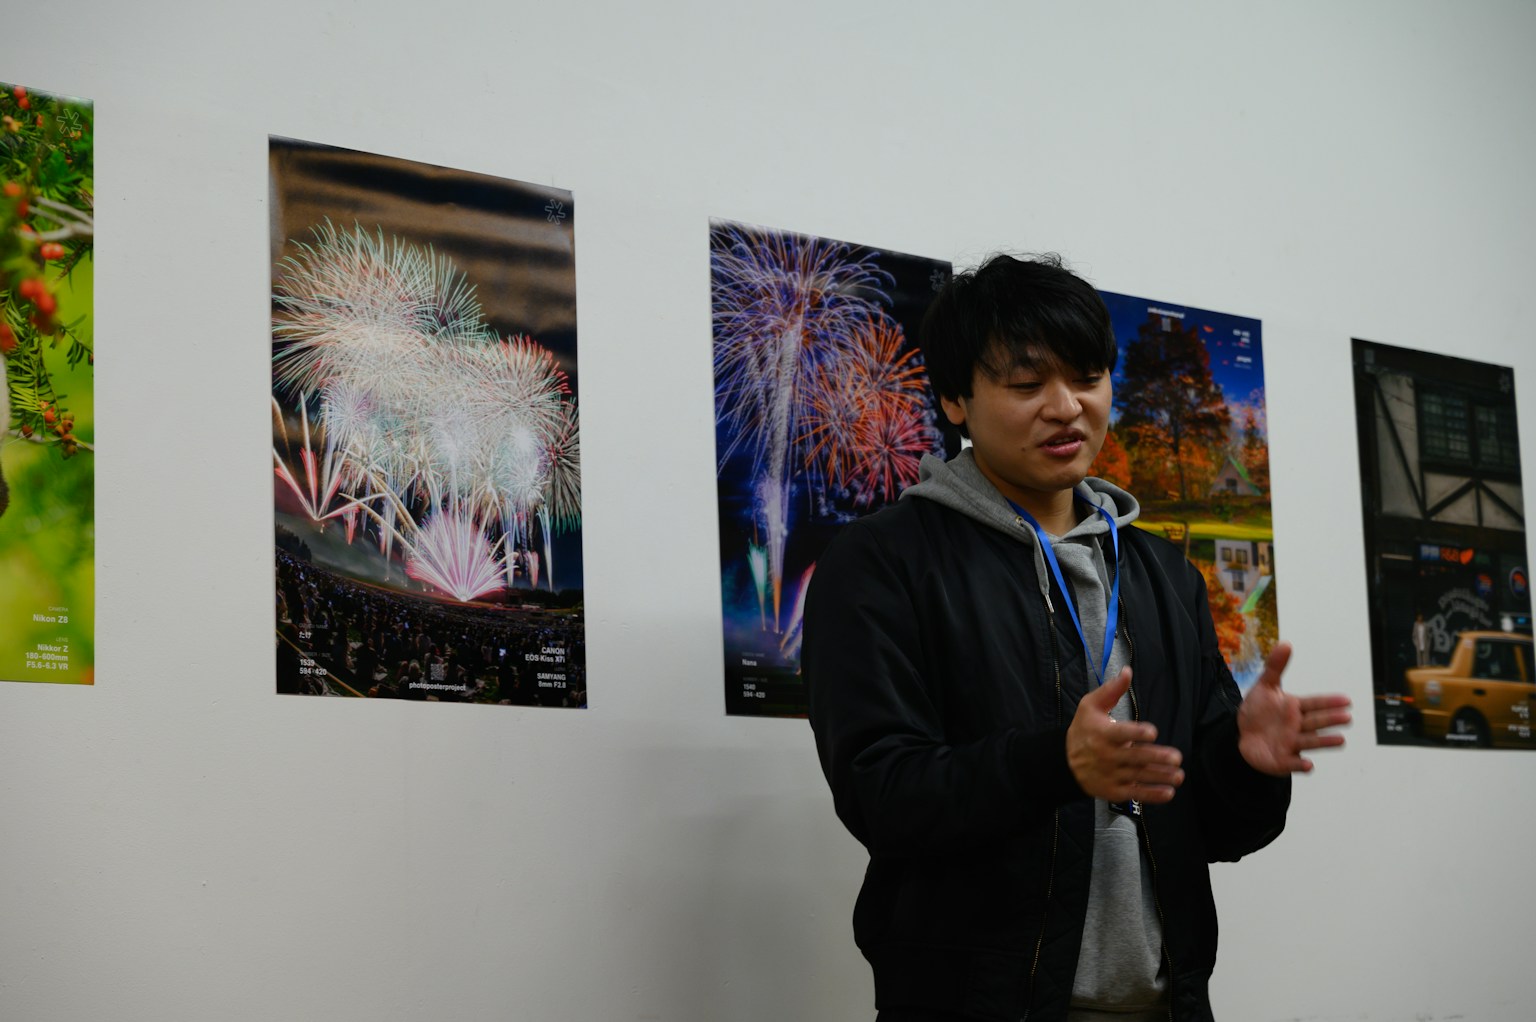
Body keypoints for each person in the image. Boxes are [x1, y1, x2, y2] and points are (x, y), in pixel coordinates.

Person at [803, 253, 1351, 1022]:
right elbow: (881, 794)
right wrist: (1054, 761)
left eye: (1088, 377)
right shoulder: (884, 562)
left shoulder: (1162, 573)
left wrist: (1245, 763)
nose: (1067, 408)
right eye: (1027, 386)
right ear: (956, 400)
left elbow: (1217, 830)